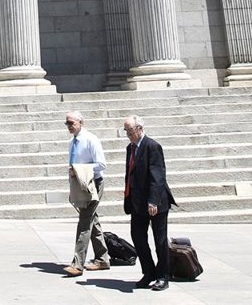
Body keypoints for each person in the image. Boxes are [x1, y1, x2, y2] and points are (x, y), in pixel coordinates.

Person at [122, 115, 175, 291]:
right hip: (137, 202)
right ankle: (149, 272)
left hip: (156, 201)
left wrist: (153, 201)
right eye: (126, 131)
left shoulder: (152, 146)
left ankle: (163, 276)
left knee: (160, 240)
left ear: (139, 129)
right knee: (137, 236)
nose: (128, 134)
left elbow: (158, 176)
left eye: (130, 130)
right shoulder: (131, 148)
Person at [63, 111, 110, 276]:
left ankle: (78, 264)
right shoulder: (72, 142)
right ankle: (102, 259)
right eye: (66, 123)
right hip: (79, 185)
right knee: (92, 220)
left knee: (84, 221)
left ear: (81, 122)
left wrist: (80, 170)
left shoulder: (91, 139)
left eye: (71, 123)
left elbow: (101, 165)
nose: (69, 126)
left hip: (93, 184)